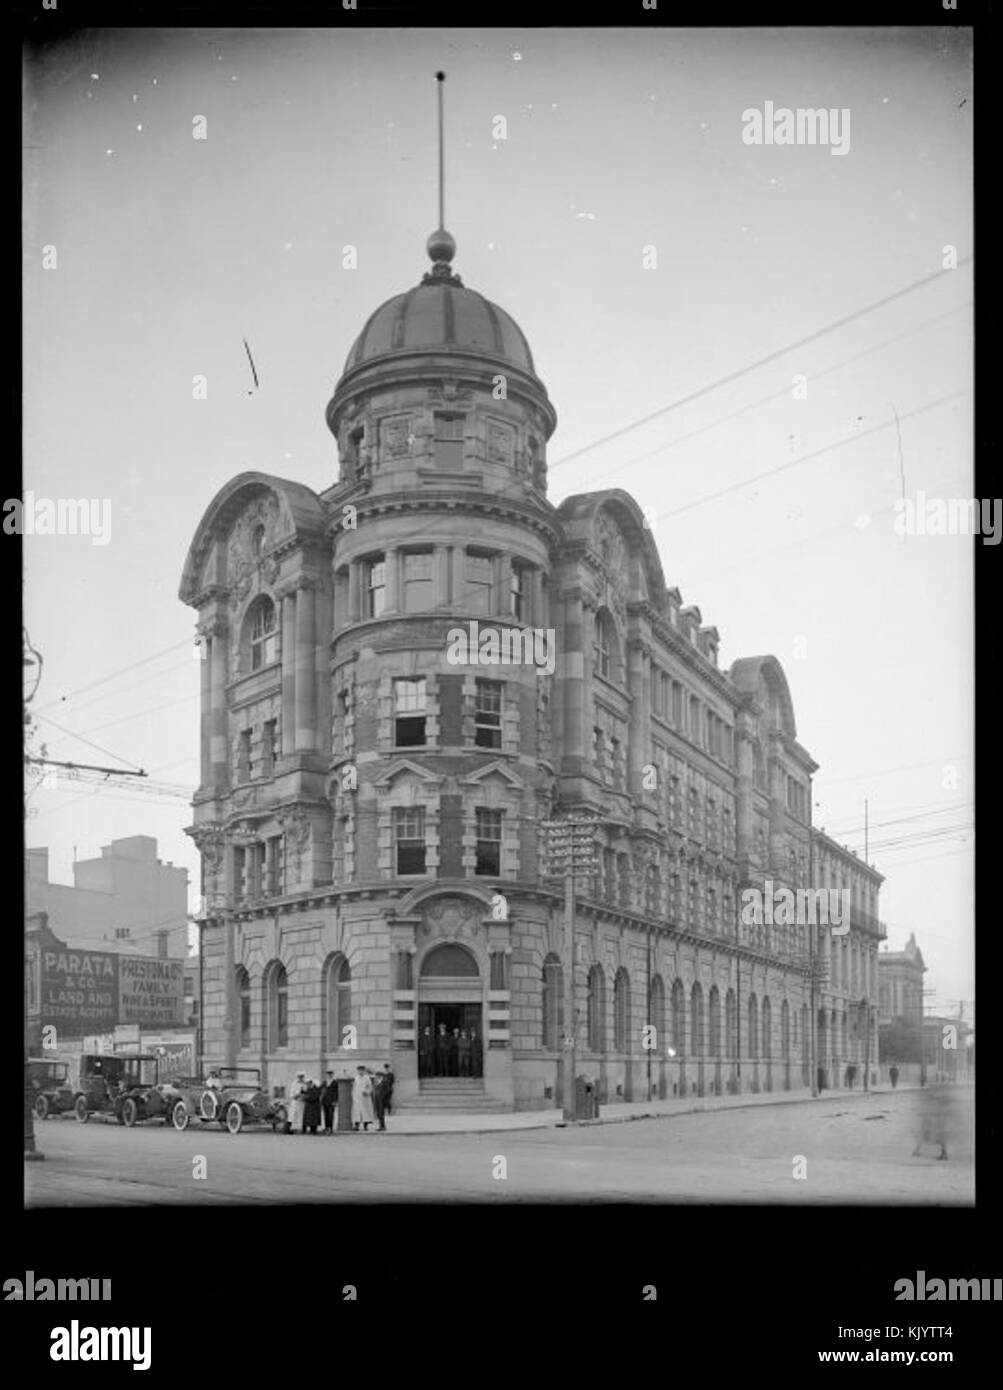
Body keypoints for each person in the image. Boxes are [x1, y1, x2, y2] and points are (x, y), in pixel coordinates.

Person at [352, 1065, 375, 1131]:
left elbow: (370, 1087)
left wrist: (367, 1092)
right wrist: (353, 1096)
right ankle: (357, 1125)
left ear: (364, 1071)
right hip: (357, 1097)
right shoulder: (356, 1078)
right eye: (359, 1070)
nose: (361, 1072)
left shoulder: (367, 1078)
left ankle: (365, 1125)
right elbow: (354, 1087)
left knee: (365, 1112)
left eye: (362, 1070)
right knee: (357, 1112)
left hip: (365, 1097)